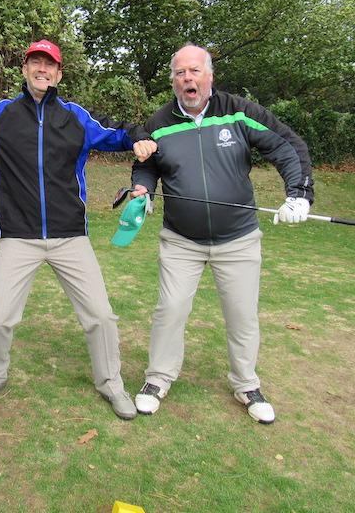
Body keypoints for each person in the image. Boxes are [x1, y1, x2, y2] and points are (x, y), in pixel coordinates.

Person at [0, 39, 157, 419]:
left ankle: (111, 383)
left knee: (101, 316)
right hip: (18, 236)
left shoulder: (75, 117)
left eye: (49, 64)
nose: (42, 69)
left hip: (69, 235)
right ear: (24, 69)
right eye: (35, 62)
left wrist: (138, 136)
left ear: (58, 73)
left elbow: (117, 132)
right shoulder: (0, 115)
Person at [130, 44, 314, 424]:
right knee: (170, 310)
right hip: (181, 240)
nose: (188, 79)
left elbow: (286, 145)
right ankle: (158, 378)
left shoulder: (239, 112)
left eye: (195, 71)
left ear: (210, 76)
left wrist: (299, 193)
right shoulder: (159, 123)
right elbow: (145, 165)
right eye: (181, 73)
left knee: (242, 315)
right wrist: (142, 189)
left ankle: (246, 383)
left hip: (238, 239)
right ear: (173, 81)